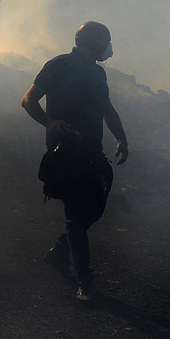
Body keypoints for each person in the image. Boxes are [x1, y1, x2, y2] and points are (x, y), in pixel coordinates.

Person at [21, 21, 128, 301]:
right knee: (77, 218)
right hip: (64, 152)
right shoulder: (58, 65)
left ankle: (59, 251)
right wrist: (49, 122)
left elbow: (107, 109)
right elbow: (29, 100)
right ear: (93, 43)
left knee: (93, 210)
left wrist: (122, 138)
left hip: (92, 152)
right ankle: (85, 280)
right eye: (105, 41)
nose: (108, 48)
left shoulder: (97, 74)